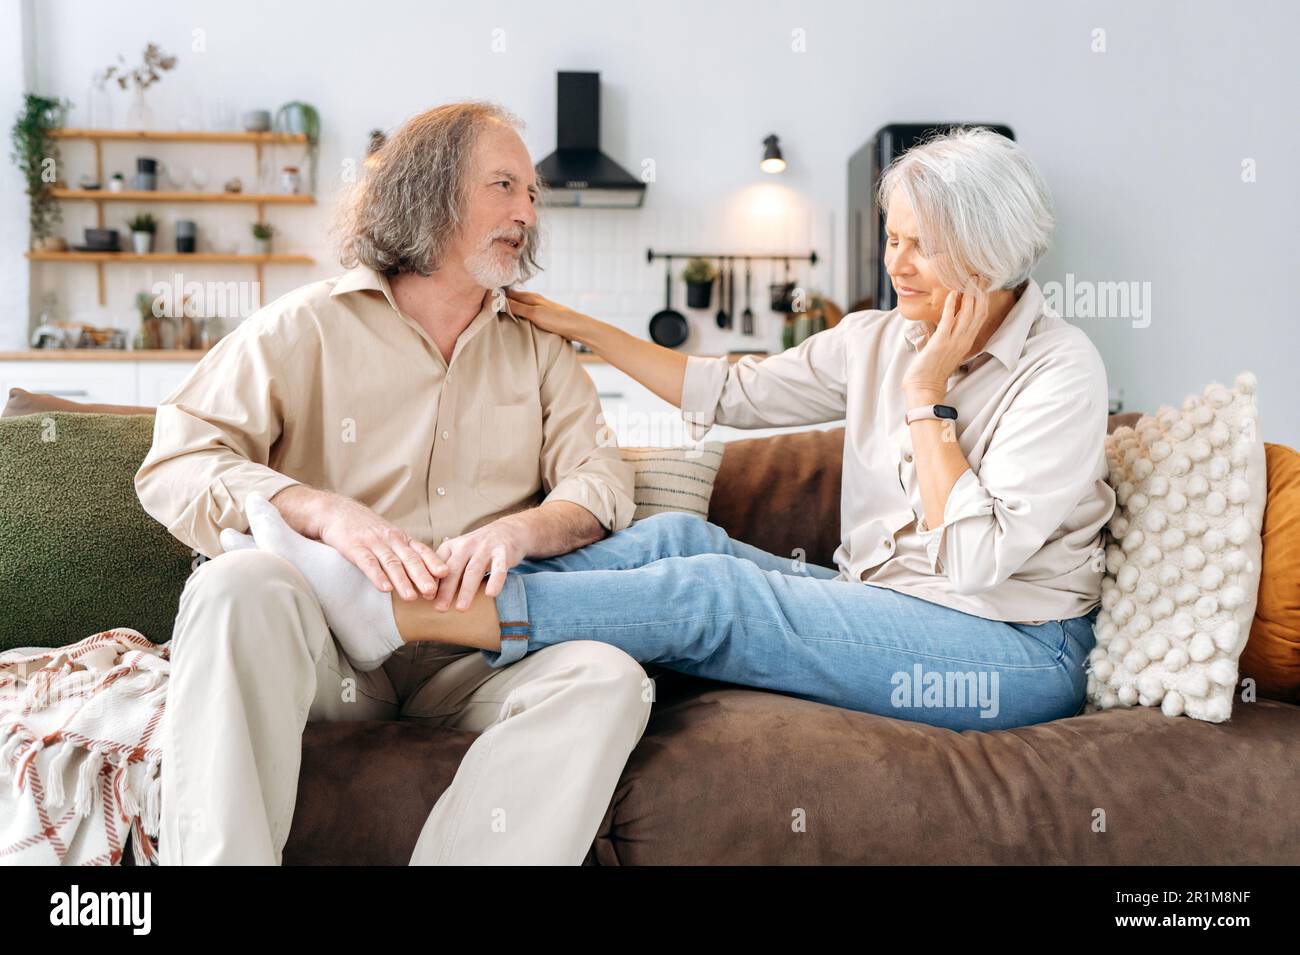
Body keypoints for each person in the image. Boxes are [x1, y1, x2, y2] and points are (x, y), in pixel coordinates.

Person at [228, 126, 1117, 735]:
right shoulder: (881, 338)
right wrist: (587, 331)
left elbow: (973, 565)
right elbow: (726, 391)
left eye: (917, 245)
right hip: (895, 607)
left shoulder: (1060, 370)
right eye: (891, 239)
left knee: (710, 597)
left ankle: (396, 612)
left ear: (986, 246)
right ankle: (441, 585)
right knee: (682, 534)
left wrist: (928, 398)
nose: (895, 265)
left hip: (1008, 647)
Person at [134, 101, 655, 865]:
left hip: (474, 657)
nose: (527, 213)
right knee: (234, 586)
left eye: (533, 195)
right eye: (504, 186)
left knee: (612, 678)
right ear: (431, 190)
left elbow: (600, 480)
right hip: (329, 652)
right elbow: (176, 460)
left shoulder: (541, 352)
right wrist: (319, 511)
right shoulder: (303, 327)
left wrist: (521, 530)